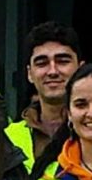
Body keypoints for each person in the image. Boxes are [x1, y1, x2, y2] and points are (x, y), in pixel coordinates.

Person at [20, 20, 83, 150]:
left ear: (80, 68)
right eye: (42, 63)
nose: (52, 71)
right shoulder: (8, 137)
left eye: (62, 61)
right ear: (29, 74)